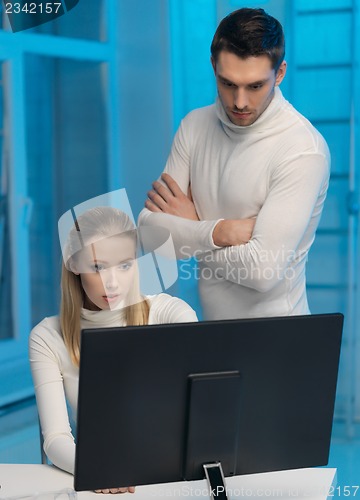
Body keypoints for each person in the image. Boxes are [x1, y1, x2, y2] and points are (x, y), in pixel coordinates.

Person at [139, 7, 330, 320]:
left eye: (255, 86)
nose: (240, 102)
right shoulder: (194, 127)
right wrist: (222, 232)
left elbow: (263, 271)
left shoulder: (302, 148)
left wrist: (192, 227)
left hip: (282, 340)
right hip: (217, 333)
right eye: (228, 83)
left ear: (279, 73)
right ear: (213, 66)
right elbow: (150, 238)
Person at [29, 206, 197, 494]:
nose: (113, 282)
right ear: (74, 266)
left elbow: (195, 412)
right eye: (98, 266)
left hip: (170, 478)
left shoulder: (169, 313)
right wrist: (100, 470)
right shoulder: (47, 336)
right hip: (104, 481)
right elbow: (56, 438)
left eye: (125, 265)